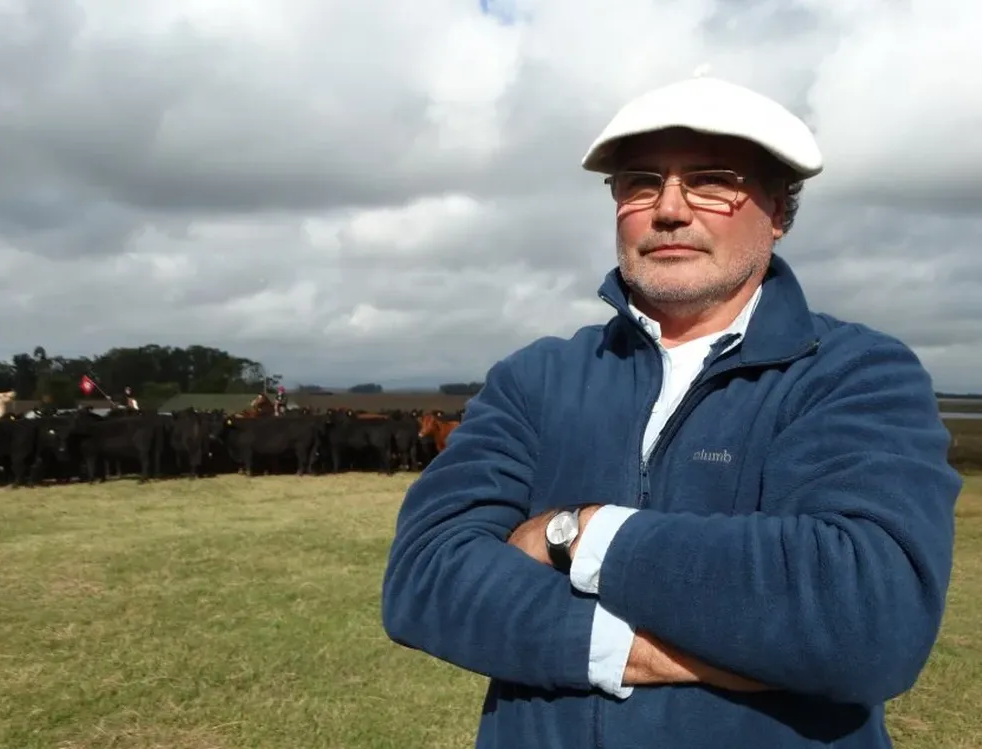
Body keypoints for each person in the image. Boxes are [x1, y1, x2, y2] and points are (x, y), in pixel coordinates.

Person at [381, 76, 962, 749]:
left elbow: (868, 615)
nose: (670, 209)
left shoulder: (853, 373)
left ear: (778, 210)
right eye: (640, 183)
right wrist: (639, 646)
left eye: (713, 181)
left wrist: (580, 532)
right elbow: (425, 577)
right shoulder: (536, 378)